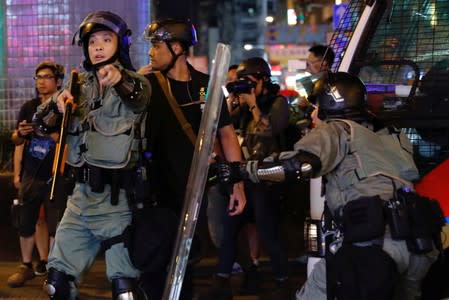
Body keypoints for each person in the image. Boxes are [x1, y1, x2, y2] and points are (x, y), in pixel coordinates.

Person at [219, 71, 441, 300]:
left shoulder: (337, 128)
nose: (313, 114)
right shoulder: (393, 135)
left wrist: (241, 170)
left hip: (372, 246)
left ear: (330, 105)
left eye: (316, 107)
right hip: (419, 245)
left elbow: (299, 166)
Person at [36, 11, 151, 299]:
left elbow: (137, 98)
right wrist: (57, 108)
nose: (97, 47)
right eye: (92, 42)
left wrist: (119, 79)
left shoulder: (137, 82)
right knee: (56, 284)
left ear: (120, 45)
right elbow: (39, 125)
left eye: (106, 40)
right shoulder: (77, 86)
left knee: (126, 291)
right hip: (79, 200)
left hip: (117, 202)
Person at [138, 18, 246, 299]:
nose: (151, 52)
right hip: (154, 192)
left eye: (156, 46)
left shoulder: (205, 85)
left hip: (194, 192)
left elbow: (226, 134)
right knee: (152, 261)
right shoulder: (146, 85)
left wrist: (237, 184)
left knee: (186, 262)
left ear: (176, 48)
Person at [204, 57, 290, 299]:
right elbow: (223, 133)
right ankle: (221, 282)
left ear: (263, 80)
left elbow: (268, 132)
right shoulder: (239, 108)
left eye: (250, 83)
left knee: (268, 230)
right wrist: (231, 107)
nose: (246, 89)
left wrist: (253, 105)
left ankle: (283, 283)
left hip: (266, 179)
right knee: (230, 228)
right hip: (243, 178)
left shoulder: (278, 103)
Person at [8, 61, 66, 288]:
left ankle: (52, 268)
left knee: (55, 225)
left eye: (46, 77)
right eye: (38, 77)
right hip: (31, 174)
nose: (41, 81)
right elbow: (17, 140)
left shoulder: (64, 107)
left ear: (58, 81)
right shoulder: (28, 107)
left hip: (55, 175)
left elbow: (70, 138)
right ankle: (26, 266)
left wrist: (52, 134)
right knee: (26, 222)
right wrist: (20, 134)